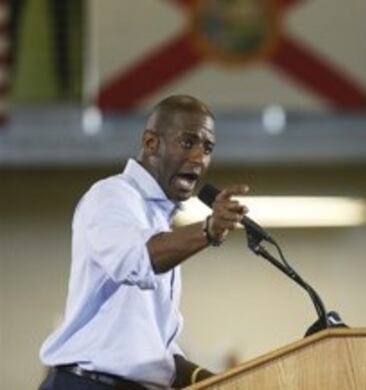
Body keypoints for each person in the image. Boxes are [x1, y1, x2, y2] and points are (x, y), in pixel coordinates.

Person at [38, 95, 249, 389]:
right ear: (151, 143)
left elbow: (157, 356)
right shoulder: (112, 196)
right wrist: (209, 230)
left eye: (208, 147)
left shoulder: (160, 223)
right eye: (188, 143)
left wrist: (221, 382)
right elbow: (137, 258)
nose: (199, 158)